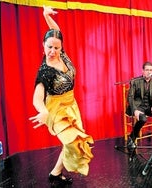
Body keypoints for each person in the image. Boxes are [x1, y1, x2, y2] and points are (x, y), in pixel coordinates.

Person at [29, 6, 94, 185]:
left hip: (71, 105)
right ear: (43, 46)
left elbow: (57, 32)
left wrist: (45, 16)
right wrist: (42, 111)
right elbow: (37, 95)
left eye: (57, 47)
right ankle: (57, 173)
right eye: (49, 47)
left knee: (73, 141)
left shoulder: (63, 56)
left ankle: (56, 173)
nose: (53, 51)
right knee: (72, 142)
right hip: (56, 109)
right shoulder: (44, 71)